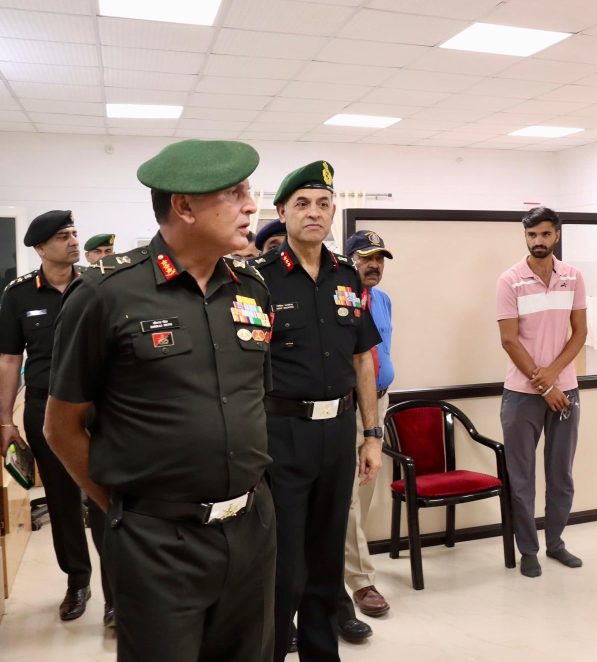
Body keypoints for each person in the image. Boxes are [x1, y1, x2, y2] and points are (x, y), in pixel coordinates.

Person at [43, 139, 276, 662]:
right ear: (184, 206)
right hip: (157, 542)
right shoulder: (106, 293)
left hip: (251, 528)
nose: (250, 206)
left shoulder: (251, 288)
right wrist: (125, 512)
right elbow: (61, 428)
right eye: (234, 193)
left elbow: (254, 398)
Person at [254, 160, 382, 662]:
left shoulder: (347, 275)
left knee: (327, 565)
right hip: (282, 435)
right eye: (302, 203)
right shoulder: (259, 280)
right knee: (285, 567)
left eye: (324, 204)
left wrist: (371, 434)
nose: (314, 212)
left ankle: (321, 654)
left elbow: (363, 360)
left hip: (338, 435)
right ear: (282, 211)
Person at [0, 211, 110, 624]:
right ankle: (77, 581)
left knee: (106, 496)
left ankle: (117, 592)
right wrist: (5, 421)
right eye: (64, 236)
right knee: (63, 501)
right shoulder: (18, 294)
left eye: (75, 233)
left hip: (100, 407)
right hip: (45, 407)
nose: (74, 240)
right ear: (41, 248)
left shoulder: (98, 285)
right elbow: (9, 359)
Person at [496, 206, 587, 578]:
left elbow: (580, 333)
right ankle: (528, 551)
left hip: (565, 391)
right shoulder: (509, 280)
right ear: (525, 236)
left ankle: (556, 543)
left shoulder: (573, 276)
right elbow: (509, 340)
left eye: (545, 234)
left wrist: (553, 379)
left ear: (556, 236)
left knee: (561, 474)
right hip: (521, 394)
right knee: (521, 477)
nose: (538, 241)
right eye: (532, 235)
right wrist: (544, 383)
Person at [338, 229, 394, 621]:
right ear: (349, 261)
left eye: (379, 259)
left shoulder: (384, 300)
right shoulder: (339, 300)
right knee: (349, 496)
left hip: (381, 401)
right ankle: (361, 582)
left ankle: (350, 564)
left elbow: (381, 352)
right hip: (350, 407)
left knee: (367, 490)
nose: (373, 265)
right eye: (366, 258)